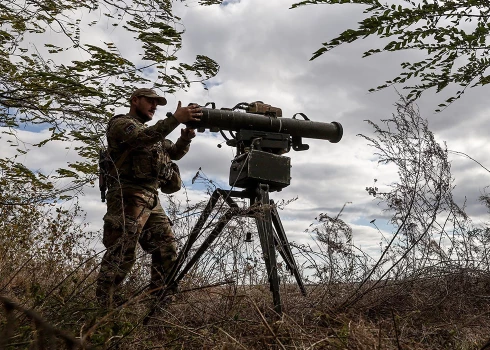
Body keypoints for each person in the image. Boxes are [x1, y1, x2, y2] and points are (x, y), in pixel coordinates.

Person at [96, 88, 202, 308]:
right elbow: (141, 138)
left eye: (158, 103)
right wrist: (175, 119)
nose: (155, 107)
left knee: (167, 249)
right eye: (150, 102)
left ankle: (160, 305)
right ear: (135, 100)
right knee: (122, 252)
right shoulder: (122, 124)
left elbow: (173, 153)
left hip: (151, 198)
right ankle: (103, 307)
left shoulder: (153, 133)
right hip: (128, 195)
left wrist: (184, 139)